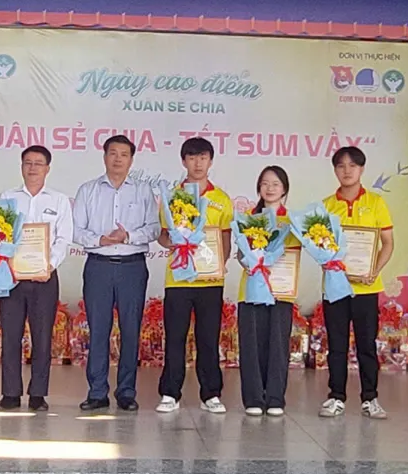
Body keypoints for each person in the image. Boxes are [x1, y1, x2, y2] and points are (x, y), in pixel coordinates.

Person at [72, 134, 158, 412]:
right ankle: (97, 392)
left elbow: (154, 229)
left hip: (133, 267)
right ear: (104, 156)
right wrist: (100, 239)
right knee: (98, 330)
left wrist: (128, 236)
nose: (118, 159)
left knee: (131, 330)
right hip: (98, 265)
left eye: (124, 154)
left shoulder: (143, 191)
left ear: (131, 160)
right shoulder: (88, 190)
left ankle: (126, 392)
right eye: (113, 153)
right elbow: (75, 230)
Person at [157, 136, 233, 414]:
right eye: (192, 158)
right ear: (183, 161)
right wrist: (172, 242)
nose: (198, 163)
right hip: (178, 278)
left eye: (203, 158)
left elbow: (225, 239)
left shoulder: (221, 198)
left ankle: (211, 393)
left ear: (211, 161)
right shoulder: (172, 197)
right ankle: (170, 393)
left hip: (210, 280)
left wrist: (219, 264)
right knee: (175, 337)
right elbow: (162, 236)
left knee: (208, 338)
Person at [0, 144, 74, 411]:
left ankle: (38, 394)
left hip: (45, 278)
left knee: (42, 336)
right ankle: (10, 393)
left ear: (47, 169)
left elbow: (64, 238)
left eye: (38, 163)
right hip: (12, 277)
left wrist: (48, 266)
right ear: (21, 167)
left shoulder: (59, 200)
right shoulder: (7, 197)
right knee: (10, 335)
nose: (32, 168)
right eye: (27, 163)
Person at [319, 144, 395, 420]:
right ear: (335, 171)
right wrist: (325, 259)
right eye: (341, 166)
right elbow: (320, 246)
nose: (347, 171)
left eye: (352, 165)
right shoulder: (326, 206)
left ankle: (370, 398)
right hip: (335, 287)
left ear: (362, 169)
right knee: (336, 345)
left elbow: (388, 243)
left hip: (366, 287)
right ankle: (336, 397)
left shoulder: (376, 203)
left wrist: (374, 269)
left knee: (366, 345)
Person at [235, 165, 296, 418]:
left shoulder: (294, 221)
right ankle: (253, 398)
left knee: (278, 344)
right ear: (258, 187)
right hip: (250, 288)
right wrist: (251, 261)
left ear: (284, 189)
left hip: (281, 289)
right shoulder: (248, 219)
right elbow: (240, 255)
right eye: (265, 183)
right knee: (251, 344)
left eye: (275, 184)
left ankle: (275, 398)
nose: (270, 188)